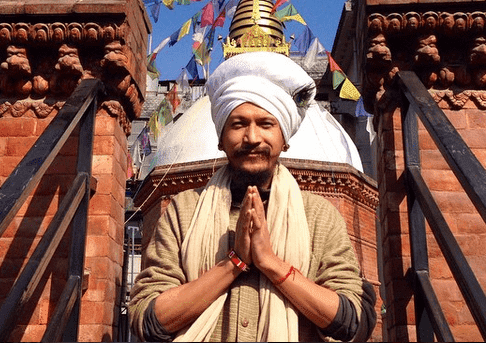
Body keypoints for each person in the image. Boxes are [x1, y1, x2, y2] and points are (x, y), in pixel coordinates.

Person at [129, 52, 376, 342]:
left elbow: (352, 321)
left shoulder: (318, 215)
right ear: (221, 139)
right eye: (238, 124)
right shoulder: (184, 210)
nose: (252, 137)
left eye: (266, 124)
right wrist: (234, 263)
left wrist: (270, 262)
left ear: (284, 140)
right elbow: (146, 320)